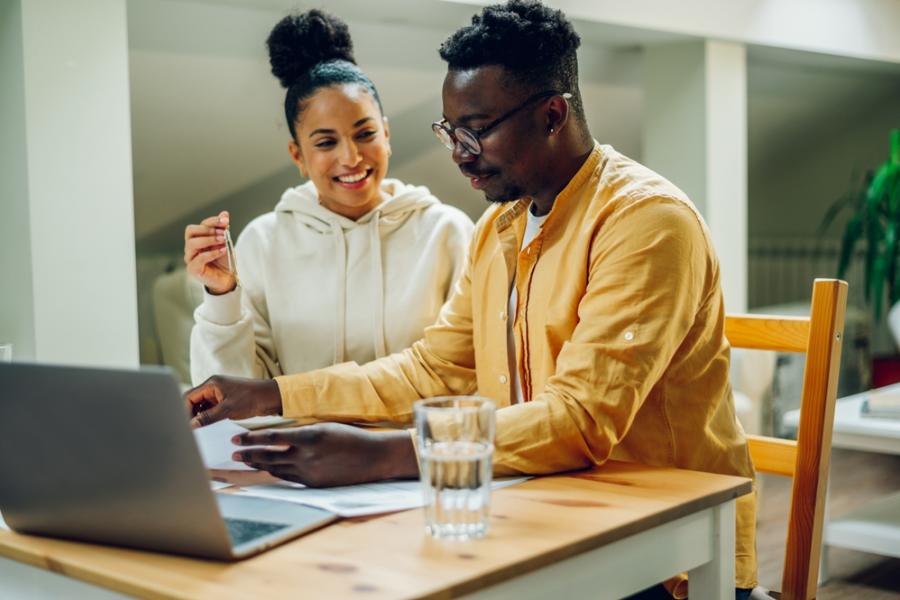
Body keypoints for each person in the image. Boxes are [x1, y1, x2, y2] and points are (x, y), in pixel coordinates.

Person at [186, 2, 757, 597]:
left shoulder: (645, 222)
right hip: (545, 513)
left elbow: (581, 420)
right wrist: (270, 393)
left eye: (476, 130)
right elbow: (434, 368)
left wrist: (383, 455)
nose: (458, 151)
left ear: (552, 115)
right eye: (448, 129)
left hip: (667, 554)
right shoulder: (499, 227)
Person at [183, 10, 473, 384]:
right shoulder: (263, 242)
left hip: (409, 443)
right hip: (298, 443)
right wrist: (221, 294)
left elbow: (467, 371)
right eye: (325, 142)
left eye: (365, 134)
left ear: (386, 135)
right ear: (298, 156)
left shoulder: (446, 232)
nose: (351, 157)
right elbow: (231, 394)